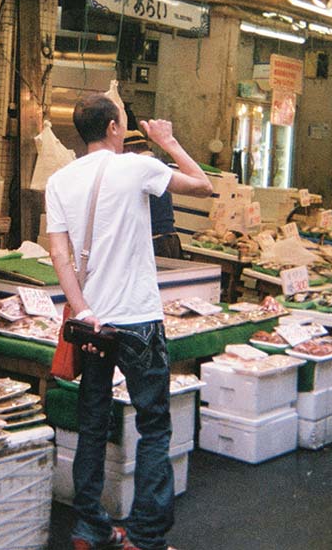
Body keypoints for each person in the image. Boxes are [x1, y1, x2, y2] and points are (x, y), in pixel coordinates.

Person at [46, 94, 213, 550]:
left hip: (94, 325)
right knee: (154, 425)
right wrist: (169, 141)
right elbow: (203, 186)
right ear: (115, 127)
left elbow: (59, 254)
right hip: (139, 319)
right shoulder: (138, 165)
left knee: (93, 423)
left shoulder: (59, 181)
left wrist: (82, 310)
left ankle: (88, 528)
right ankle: (145, 536)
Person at [123, 129, 182, 259]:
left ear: (127, 150)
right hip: (170, 240)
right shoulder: (158, 164)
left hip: (155, 243)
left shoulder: (140, 168)